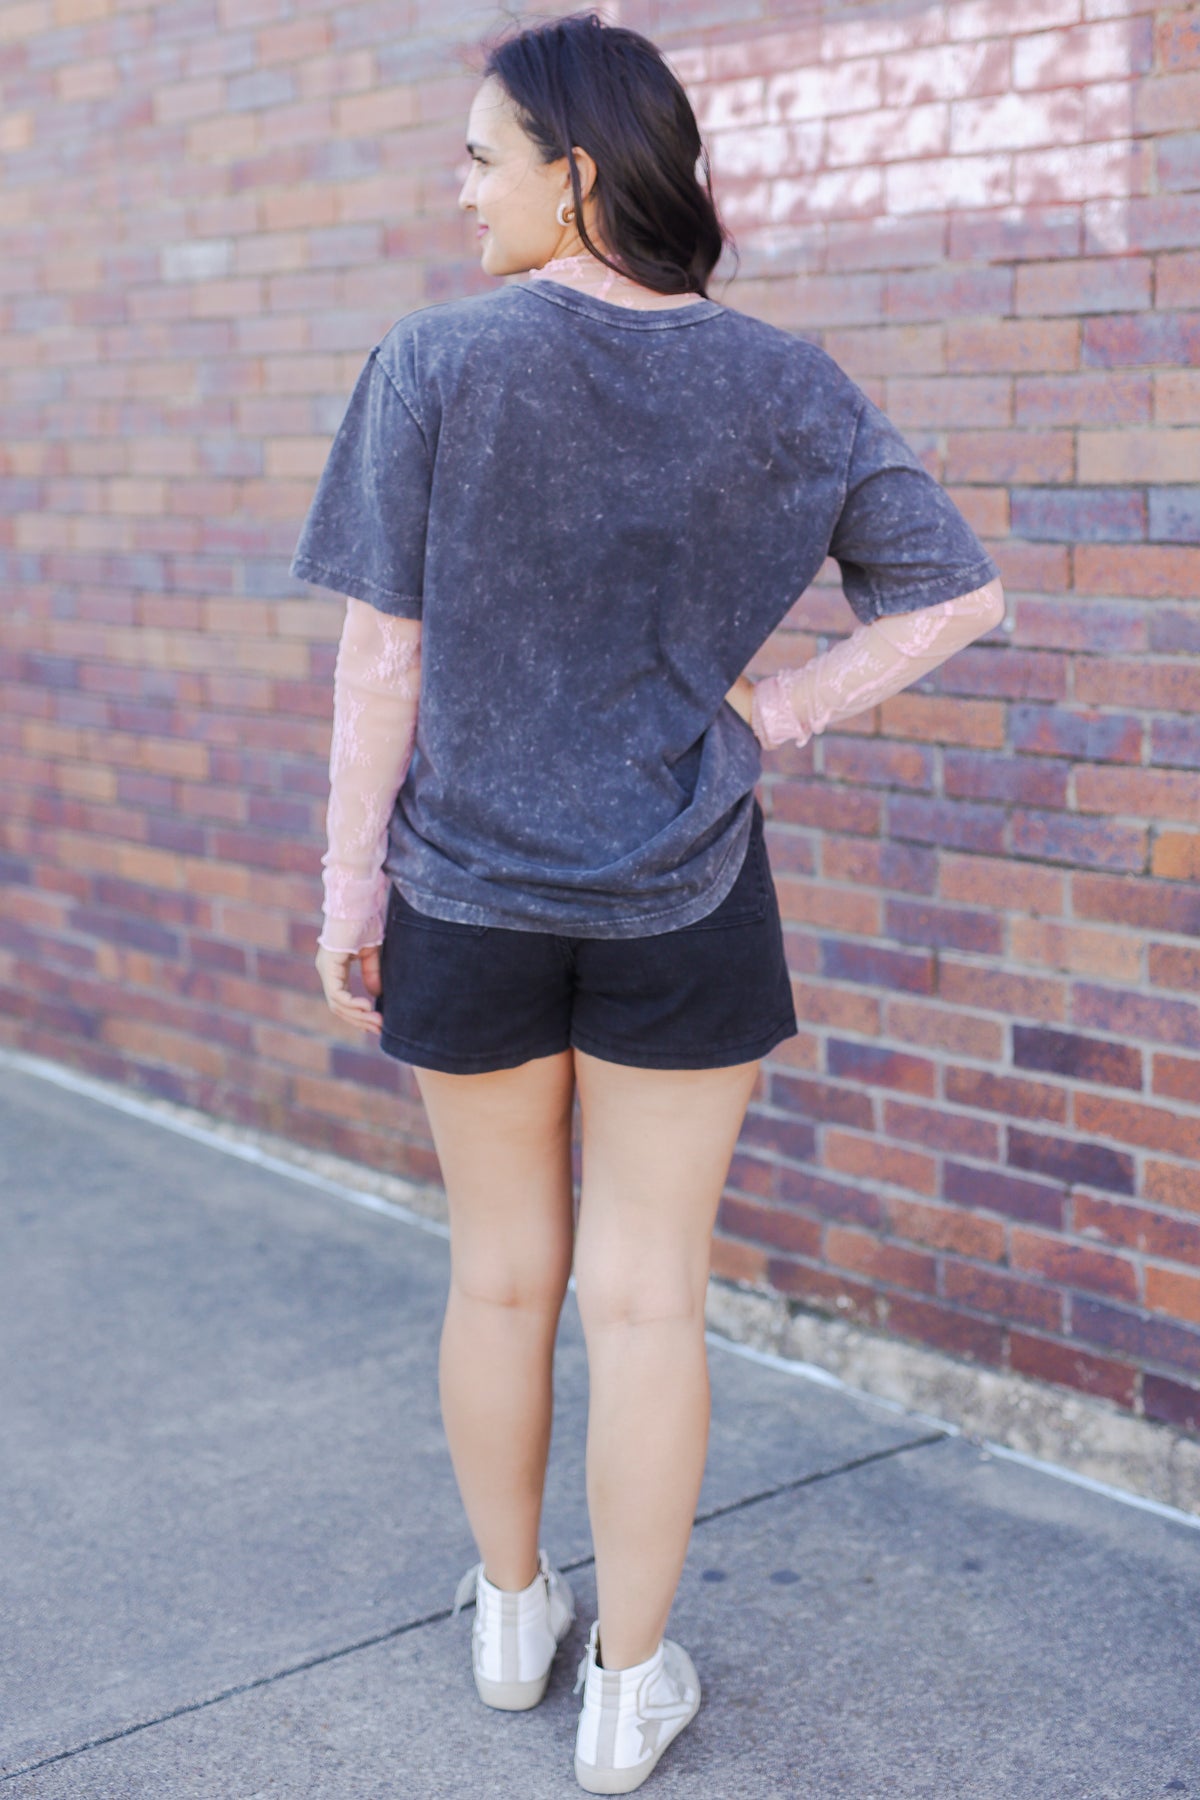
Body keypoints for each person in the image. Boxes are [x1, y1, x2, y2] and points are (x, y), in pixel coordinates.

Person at [290, 13, 1005, 1792]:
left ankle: (512, 1612)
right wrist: (774, 715)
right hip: (685, 892)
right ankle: (625, 1690)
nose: (460, 190)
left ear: (577, 173)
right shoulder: (788, 385)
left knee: (498, 1278)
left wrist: (349, 886)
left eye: (482, 158)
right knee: (646, 1300)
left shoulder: (433, 363)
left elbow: (382, 660)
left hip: (464, 891)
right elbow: (953, 598)